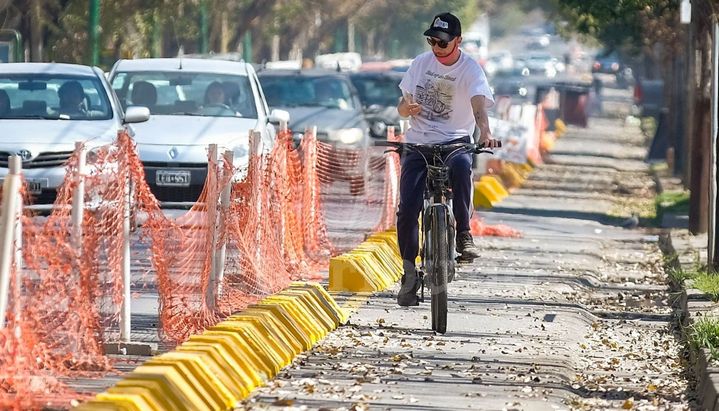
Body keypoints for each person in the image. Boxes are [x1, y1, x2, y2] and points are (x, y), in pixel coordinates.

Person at [395, 12, 500, 306]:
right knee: (408, 207)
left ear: (457, 41)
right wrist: (407, 108)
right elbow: (401, 107)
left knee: (464, 168)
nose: (436, 47)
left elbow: (479, 103)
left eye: (442, 42)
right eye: (432, 40)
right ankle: (408, 271)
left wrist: (485, 131)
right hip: (418, 143)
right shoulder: (419, 64)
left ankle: (464, 234)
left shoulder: (471, 70)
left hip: (455, 142)